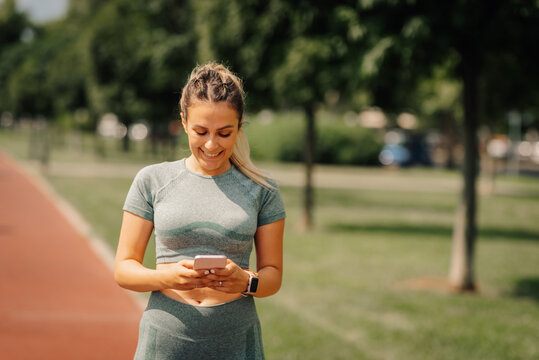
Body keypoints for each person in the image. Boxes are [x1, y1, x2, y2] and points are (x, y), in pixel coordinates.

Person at [114, 62, 286, 360]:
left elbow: (273, 275)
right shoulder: (152, 180)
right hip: (164, 342)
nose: (211, 144)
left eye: (224, 133)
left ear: (240, 124)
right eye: (200, 131)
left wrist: (246, 281)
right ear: (183, 122)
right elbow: (124, 268)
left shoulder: (263, 190)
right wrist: (167, 278)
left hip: (236, 342)